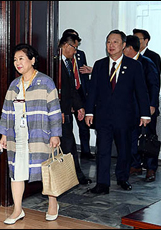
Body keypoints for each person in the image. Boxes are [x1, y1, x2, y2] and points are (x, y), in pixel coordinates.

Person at [0, 43, 62, 223]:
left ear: (32, 60)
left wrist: (55, 134)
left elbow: (55, 110)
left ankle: (52, 203)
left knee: (46, 170)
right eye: (15, 60)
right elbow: (6, 111)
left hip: (40, 135)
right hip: (17, 136)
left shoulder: (45, 82)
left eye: (21, 59)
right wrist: (3, 134)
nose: (18, 63)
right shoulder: (14, 85)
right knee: (16, 171)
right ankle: (17, 210)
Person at [85, 30, 151, 195]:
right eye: (108, 42)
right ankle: (102, 184)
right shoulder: (100, 65)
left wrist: (145, 114)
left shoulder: (134, 66)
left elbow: (141, 91)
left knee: (124, 150)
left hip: (125, 117)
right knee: (103, 151)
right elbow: (92, 91)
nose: (111, 45)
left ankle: (122, 178)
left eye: (115, 42)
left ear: (123, 45)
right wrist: (89, 112)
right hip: (103, 117)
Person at [123, 35, 160, 182]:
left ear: (130, 48)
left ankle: (151, 168)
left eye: (124, 47)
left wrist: (151, 105)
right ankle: (135, 165)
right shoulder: (124, 63)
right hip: (131, 109)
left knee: (148, 138)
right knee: (132, 138)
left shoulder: (146, 63)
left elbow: (154, 85)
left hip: (146, 109)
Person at [57, 33, 92, 185]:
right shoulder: (54, 63)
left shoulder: (68, 63)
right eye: (74, 48)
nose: (76, 52)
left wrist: (79, 107)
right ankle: (70, 177)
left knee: (69, 144)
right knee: (66, 145)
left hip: (66, 112)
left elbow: (72, 89)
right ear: (66, 45)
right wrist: (58, 111)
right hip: (58, 112)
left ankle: (75, 176)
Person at [62, 29, 94, 160]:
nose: (76, 50)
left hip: (79, 92)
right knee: (67, 131)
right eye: (74, 45)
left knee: (84, 124)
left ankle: (86, 151)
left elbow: (82, 75)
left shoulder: (80, 55)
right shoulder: (58, 59)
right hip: (66, 96)